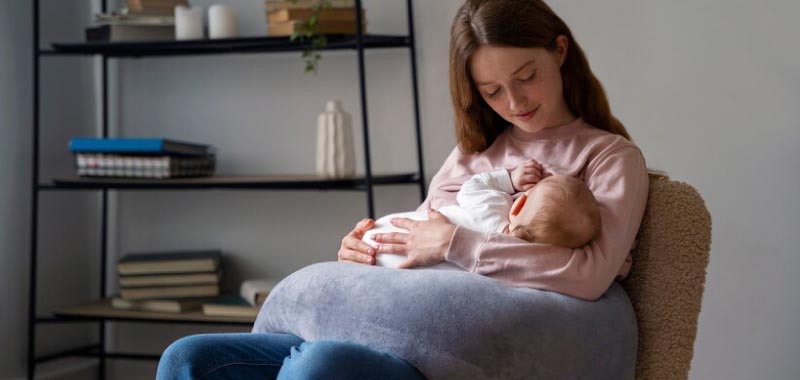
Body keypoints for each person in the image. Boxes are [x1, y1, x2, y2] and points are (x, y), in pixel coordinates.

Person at [157, 0, 648, 378]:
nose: (514, 101)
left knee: (321, 367)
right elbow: (421, 238)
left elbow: (590, 274)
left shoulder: (607, 158)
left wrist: (456, 244)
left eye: (527, 77)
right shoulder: (474, 154)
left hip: (448, 353)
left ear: (559, 53)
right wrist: (368, 249)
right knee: (189, 358)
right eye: (492, 91)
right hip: (391, 324)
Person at [365, 160, 601, 270]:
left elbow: (471, 187)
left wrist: (509, 179)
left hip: (383, 233)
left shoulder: (493, 206)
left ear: (519, 205)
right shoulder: (511, 261)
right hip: (402, 267)